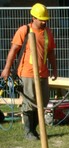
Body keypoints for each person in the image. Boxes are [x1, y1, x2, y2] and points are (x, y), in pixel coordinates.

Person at [1, 3, 57, 140]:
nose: (44, 21)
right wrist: (6, 69)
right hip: (27, 74)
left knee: (42, 102)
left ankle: (36, 130)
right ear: (33, 18)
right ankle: (29, 131)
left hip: (42, 74)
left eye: (45, 19)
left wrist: (54, 69)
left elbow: (50, 53)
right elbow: (13, 51)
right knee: (29, 103)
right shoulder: (24, 30)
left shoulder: (47, 32)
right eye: (41, 19)